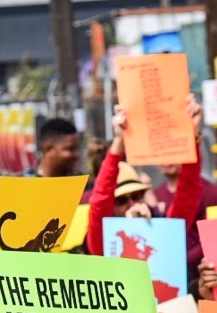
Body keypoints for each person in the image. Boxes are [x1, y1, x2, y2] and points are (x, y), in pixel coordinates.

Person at [87, 99, 204, 257]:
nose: (131, 204)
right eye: (121, 200)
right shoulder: (103, 244)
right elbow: (100, 202)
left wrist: (193, 135)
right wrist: (119, 141)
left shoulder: (165, 232)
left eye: (136, 196)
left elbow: (189, 192)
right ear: (111, 208)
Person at [153, 159, 217, 287]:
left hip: (203, 280)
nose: (166, 159)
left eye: (173, 153)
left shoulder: (212, 194)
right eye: (161, 154)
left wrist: (180, 260)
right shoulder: (156, 194)